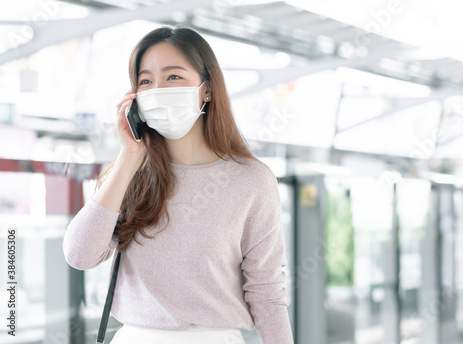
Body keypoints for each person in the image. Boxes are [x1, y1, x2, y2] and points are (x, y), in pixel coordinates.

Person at [62, 25, 294, 344]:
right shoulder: (128, 174)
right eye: (146, 81)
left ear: (207, 89)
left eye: (173, 77)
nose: (158, 89)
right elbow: (79, 254)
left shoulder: (252, 180)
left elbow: (267, 295)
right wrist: (129, 158)